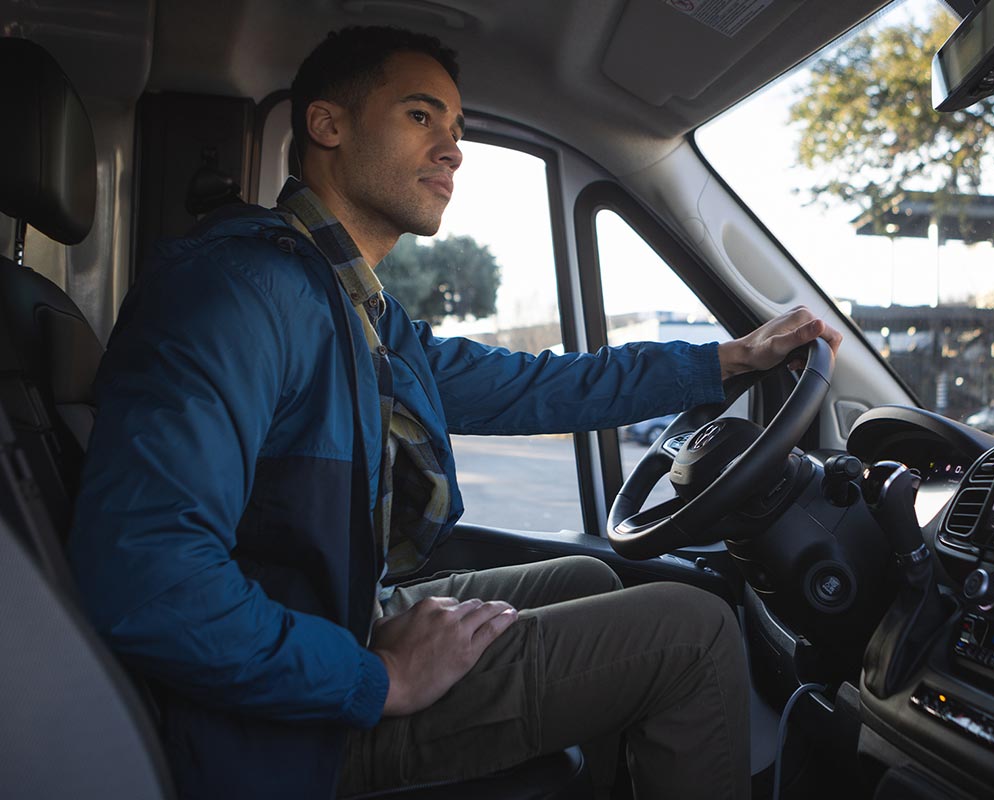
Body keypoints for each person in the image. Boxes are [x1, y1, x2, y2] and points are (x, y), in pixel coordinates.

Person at [68, 26, 842, 800]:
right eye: (420, 116)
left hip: (333, 625)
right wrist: (378, 677)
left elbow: (531, 384)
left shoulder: (352, 308)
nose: (453, 149)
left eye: (457, 128)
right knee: (694, 634)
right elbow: (148, 576)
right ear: (327, 125)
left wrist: (723, 361)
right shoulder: (239, 293)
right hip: (276, 734)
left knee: (585, 575)